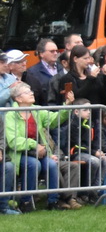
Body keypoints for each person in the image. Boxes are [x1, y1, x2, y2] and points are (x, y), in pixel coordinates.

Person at [4, 79, 71, 210]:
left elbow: (55, 120)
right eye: (27, 92)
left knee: (51, 164)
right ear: (18, 98)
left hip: (39, 151)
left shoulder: (37, 110)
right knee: (33, 164)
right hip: (19, 153)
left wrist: (67, 106)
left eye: (30, 90)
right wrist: (34, 144)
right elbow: (13, 140)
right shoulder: (10, 114)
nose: (31, 93)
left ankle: (53, 201)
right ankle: (26, 201)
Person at [23, 39, 61, 104]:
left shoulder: (62, 68)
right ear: (41, 54)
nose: (55, 53)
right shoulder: (32, 72)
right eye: (52, 51)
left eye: (56, 51)